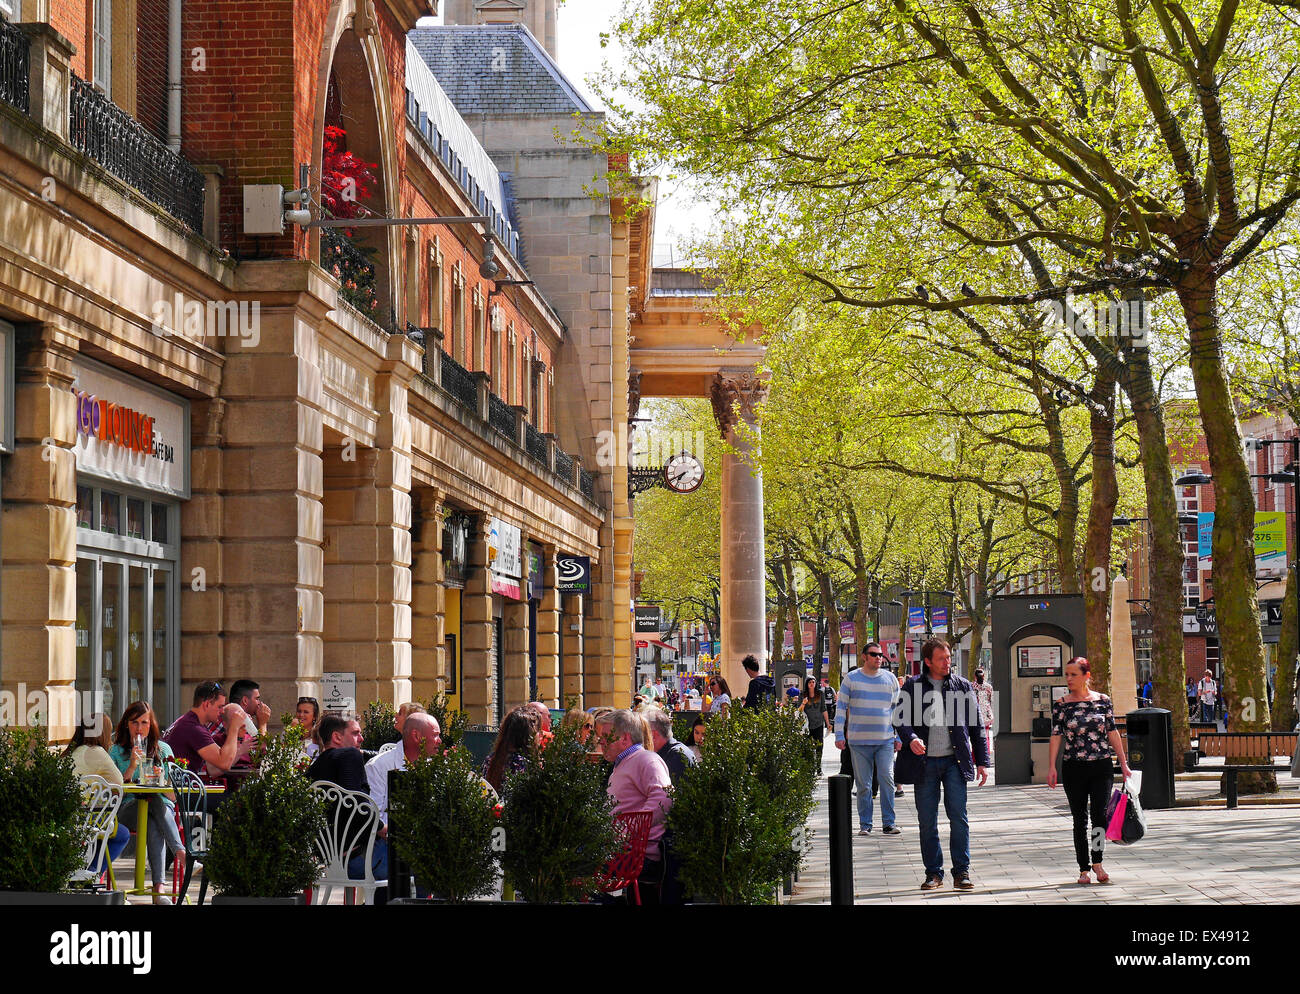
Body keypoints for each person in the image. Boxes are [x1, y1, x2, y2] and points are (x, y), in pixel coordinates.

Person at [896, 638, 989, 891]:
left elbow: (976, 724)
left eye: (949, 657)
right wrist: (911, 738)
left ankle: (961, 872)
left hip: (954, 763)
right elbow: (900, 719)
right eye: (942, 658)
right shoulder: (913, 686)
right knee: (927, 821)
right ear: (927, 661)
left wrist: (982, 762)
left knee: (959, 817)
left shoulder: (961, 685)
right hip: (923, 764)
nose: (948, 662)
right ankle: (933, 874)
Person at [1047, 657, 1132, 885]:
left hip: (1101, 766)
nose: (1069, 679)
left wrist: (1123, 763)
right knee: (1079, 819)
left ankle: (1098, 862)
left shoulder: (1103, 701)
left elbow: (1112, 732)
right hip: (1073, 767)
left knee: (1099, 816)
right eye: (1067, 674)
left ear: (1086, 676)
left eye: (1074, 674)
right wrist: (1051, 766)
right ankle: (1083, 868)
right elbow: (1056, 735)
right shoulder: (1062, 704)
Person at [109, 702, 185, 904]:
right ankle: (180, 852)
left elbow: (172, 797)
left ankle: (158, 888)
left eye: (144, 722)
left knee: (153, 812)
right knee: (150, 801)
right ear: (126, 724)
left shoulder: (163, 749)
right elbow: (115, 790)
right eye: (135, 722)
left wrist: (161, 780)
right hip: (128, 809)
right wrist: (132, 765)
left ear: (151, 725)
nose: (139, 728)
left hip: (160, 810)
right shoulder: (116, 751)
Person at [596, 709, 673, 904]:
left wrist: (629, 832)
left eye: (605, 736)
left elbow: (664, 798)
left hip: (633, 855)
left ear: (625, 738)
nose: (600, 742)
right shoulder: (625, 763)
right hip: (621, 851)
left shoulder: (646, 759)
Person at [307, 714, 389, 895]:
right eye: (355, 733)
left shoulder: (315, 767)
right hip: (360, 860)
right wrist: (383, 828)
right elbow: (357, 804)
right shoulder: (349, 755)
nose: (362, 738)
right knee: (419, 862)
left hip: (329, 862)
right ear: (337, 737)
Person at [835, 642, 902, 836]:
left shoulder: (890, 679)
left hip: (885, 741)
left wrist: (899, 736)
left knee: (887, 780)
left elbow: (897, 711)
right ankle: (866, 825)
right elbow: (841, 708)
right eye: (873, 654)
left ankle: (889, 823)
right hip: (858, 742)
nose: (878, 658)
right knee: (863, 785)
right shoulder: (851, 679)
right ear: (864, 656)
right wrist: (839, 734)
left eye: (880, 655)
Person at [64, 715, 133, 889]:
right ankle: (91, 875)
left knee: (103, 831)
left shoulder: (74, 750)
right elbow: (118, 782)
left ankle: (85, 872)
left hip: (64, 815)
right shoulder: (96, 752)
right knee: (121, 834)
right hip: (81, 818)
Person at [365, 712, 442, 828]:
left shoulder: (437, 767)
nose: (439, 741)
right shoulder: (377, 766)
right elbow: (373, 815)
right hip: (389, 840)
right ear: (416, 736)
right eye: (435, 735)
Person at [163, 681, 248, 780]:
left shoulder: (189, 721)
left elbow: (221, 755)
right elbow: (224, 763)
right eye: (220, 706)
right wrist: (234, 728)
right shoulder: (194, 728)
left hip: (178, 787)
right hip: (180, 791)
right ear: (207, 704)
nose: (222, 711)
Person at [483, 706, 541, 794]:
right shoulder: (523, 764)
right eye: (538, 731)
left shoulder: (491, 759)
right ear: (529, 736)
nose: (540, 735)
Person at [646, 708, 696, 786]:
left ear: (653, 735)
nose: (640, 738)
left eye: (643, 733)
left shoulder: (677, 756)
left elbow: (671, 795)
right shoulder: (669, 752)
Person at [800, 677, 829, 774]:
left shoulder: (820, 694)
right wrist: (803, 703)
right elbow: (799, 711)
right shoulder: (802, 694)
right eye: (810, 682)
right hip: (807, 725)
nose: (812, 684)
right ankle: (810, 769)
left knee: (819, 746)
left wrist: (828, 723)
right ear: (806, 684)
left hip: (819, 724)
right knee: (808, 748)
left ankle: (818, 768)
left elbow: (823, 709)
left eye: (813, 682)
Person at [973, 669, 995, 766]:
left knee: (974, 736)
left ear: (975, 676)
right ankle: (986, 757)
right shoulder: (988, 687)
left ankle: (975, 757)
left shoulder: (971, 686)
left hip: (974, 714)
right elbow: (991, 700)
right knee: (985, 737)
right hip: (986, 714)